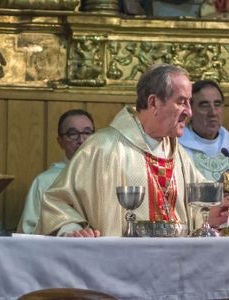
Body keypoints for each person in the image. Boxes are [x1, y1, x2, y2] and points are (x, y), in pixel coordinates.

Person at [39, 64, 218, 237]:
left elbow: (199, 207)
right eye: (181, 102)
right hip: (122, 261)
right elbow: (57, 202)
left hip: (176, 261)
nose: (189, 112)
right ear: (153, 102)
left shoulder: (177, 152)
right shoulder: (103, 148)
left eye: (190, 103)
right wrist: (71, 229)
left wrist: (218, 210)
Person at [18, 109, 95, 234]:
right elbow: (29, 230)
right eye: (72, 134)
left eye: (87, 132)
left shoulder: (106, 178)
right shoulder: (44, 182)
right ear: (60, 142)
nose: (81, 140)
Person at [178, 80, 229, 186]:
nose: (213, 113)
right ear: (190, 110)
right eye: (204, 105)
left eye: (217, 104)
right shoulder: (178, 147)